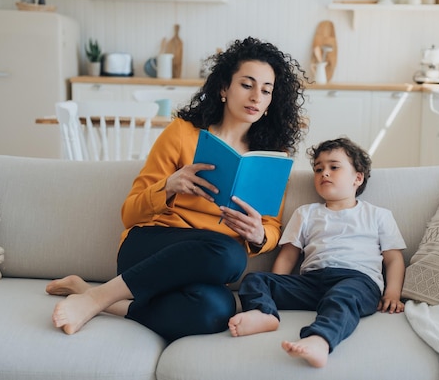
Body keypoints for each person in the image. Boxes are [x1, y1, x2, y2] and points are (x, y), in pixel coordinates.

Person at [46, 37, 307, 341]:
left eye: (266, 90)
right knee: (231, 256)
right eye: (247, 85)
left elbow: (272, 225)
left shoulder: (270, 158)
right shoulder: (181, 133)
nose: (256, 97)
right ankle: (97, 298)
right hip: (150, 247)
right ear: (224, 88)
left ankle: (94, 295)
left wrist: (259, 235)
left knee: (217, 309)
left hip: (205, 265)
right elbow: (129, 214)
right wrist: (168, 187)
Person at [228, 137, 406, 368]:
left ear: (357, 177)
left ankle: (320, 340)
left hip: (357, 281)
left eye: (334, 167)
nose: (325, 173)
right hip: (312, 282)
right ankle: (265, 314)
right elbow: (289, 255)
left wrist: (392, 293)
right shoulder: (306, 212)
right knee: (255, 279)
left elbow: (394, 259)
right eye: (318, 169)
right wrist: (278, 286)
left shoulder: (378, 215)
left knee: (341, 298)